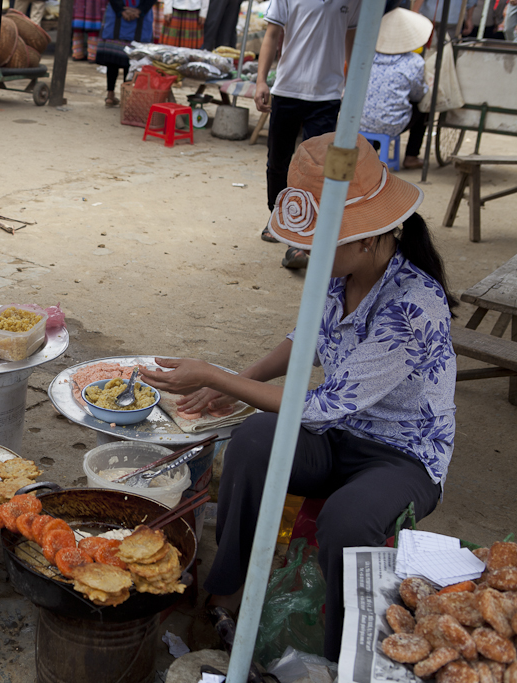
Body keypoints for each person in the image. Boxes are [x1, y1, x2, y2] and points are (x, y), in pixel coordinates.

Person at [141, 133, 457, 661]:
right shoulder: (341, 272)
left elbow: (318, 405)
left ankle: (338, 657)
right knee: (253, 441)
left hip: (404, 459)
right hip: (340, 437)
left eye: (318, 244)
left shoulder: (415, 305)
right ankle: (227, 589)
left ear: (367, 238)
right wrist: (240, 381)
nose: (305, 254)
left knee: (348, 519)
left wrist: (218, 378)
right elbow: (306, 338)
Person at [254, 0, 360, 271]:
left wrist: (352, 86)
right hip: (288, 88)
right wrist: (261, 80)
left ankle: (301, 237)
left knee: (317, 168)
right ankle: (278, 216)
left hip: (327, 95)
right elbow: (272, 34)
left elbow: (352, 39)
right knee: (278, 160)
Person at [361, 8, 432, 170]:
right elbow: (417, 95)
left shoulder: (367, 54)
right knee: (423, 109)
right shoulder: (414, 62)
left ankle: (371, 150)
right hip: (390, 124)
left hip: (358, 120)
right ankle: (411, 156)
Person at [96, 0, 154, 107]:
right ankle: (126, 97)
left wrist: (122, 10)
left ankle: (110, 95)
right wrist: (139, 10)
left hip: (120, 12)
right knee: (132, 60)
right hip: (136, 14)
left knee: (114, 59)